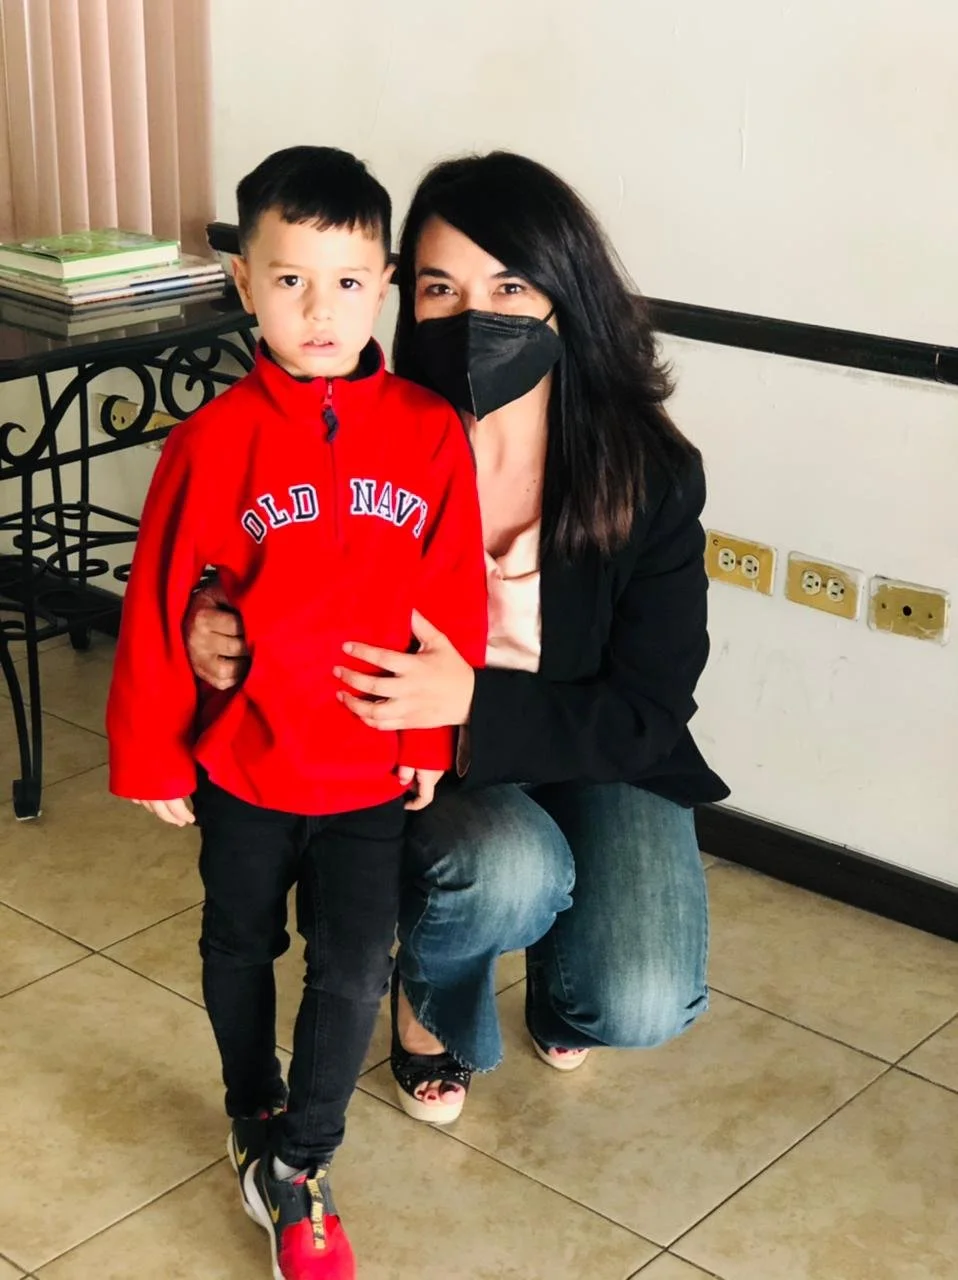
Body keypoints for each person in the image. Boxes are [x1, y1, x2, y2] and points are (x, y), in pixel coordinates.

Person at [185, 150, 728, 1133]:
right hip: (436, 757)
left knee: (636, 995)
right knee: (507, 871)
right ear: (405, 297)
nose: (475, 314)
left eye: (511, 286)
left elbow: (650, 712)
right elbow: (250, 541)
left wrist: (471, 695)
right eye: (441, 286)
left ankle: (566, 987)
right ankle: (429, 1010)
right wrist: (208, 613)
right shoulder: (376, 432)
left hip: (596, 745)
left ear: (567, 298)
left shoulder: (649, 472)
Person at [106, 145, 487, 1280]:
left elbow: (450, 603)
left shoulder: (427, 431)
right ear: (243, 283)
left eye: (348, 280)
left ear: (381, 282)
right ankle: (250, 1107)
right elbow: (166, 598)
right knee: (237, 940)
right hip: (245, 766)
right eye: (288, 281)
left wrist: (428, 738)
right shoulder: (211, 442)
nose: (319, 311)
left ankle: (303, 1162)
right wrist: (156, 755)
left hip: (368, 770)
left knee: (356, 966)